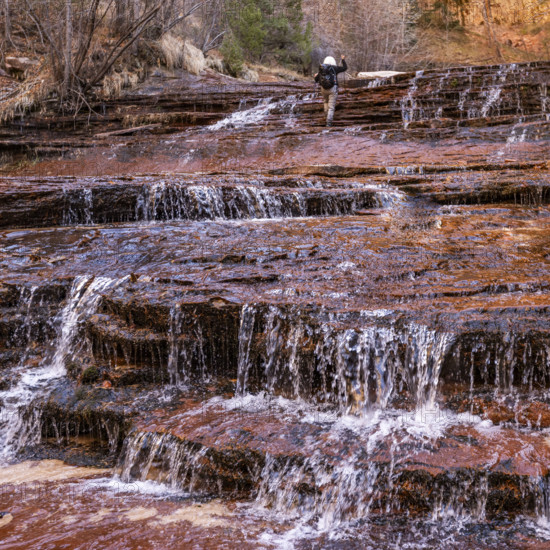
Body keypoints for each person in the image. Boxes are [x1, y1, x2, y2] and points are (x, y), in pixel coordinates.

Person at [314, 55, 347, 127]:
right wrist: (343, 60)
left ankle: (326, 116)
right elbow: (345, 68)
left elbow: (316, 80)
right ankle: (328, 123)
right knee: (331, 107)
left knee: (325, 102)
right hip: (332, 89)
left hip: (323, 89)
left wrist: (315, 76)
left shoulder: (322, 69)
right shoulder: (335, 68)